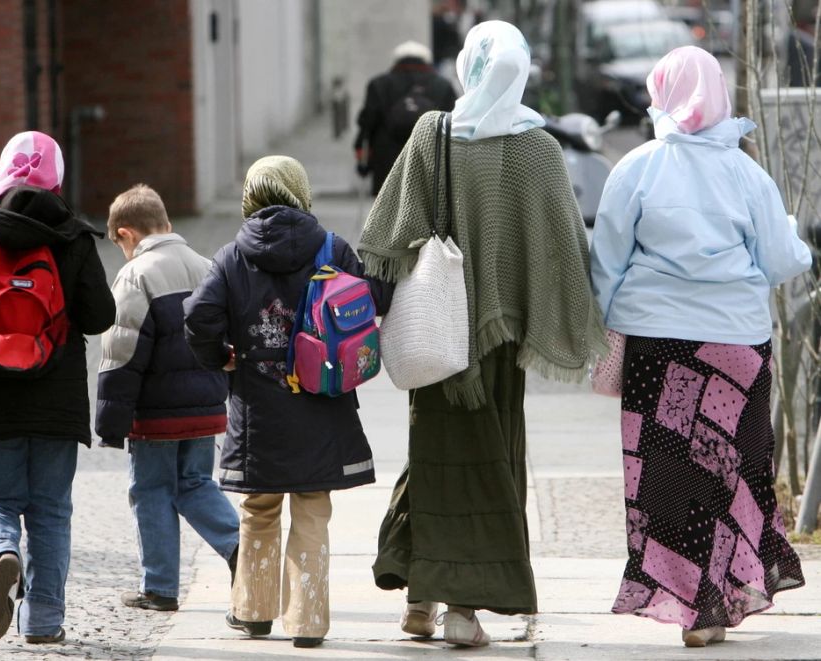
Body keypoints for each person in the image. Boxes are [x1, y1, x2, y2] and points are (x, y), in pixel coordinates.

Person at [358, 21, 606, 647]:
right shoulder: (539, 150)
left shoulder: (431, 134)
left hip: (438, 335)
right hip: (498, 347)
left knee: (436, 458)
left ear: (469, 67)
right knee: (494, 460)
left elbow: (385, 233)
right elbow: (566, 254)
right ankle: (463, 608)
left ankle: (421, 595)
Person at [589, 46, 809, 648]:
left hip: (658, 348)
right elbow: (785, 260)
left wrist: (606, 327)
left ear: (660, 92)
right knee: (733, 470)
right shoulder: (746, 173)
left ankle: (687, 602)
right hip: (735, 345)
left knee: (665, 473)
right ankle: (717, 600)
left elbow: (606, 264)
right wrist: (790, 236)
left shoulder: (635, 167)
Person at [183, 156, 382, 649]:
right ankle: (308, 621)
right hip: (322, 402)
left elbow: (197, 317)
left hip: (258, 408)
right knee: (313, 508)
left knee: (259, 508)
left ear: (251, 195)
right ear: (300, 191)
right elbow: (371, 302)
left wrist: (222, 357)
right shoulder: (333, 248)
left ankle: (252, 611)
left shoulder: (232, 256)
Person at [0, 131, 116, 644]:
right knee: (51, 511)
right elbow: (101, 316)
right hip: (55, 404)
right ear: (55, 177)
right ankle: (42, 622)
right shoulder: (73, 236)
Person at [95, 184, 240, 612]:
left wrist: (110, 422)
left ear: (126, 234)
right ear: (168, 225)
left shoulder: (136, 276)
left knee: (152, 489)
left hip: (155, 415)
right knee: (196, 483)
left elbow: (122, 353)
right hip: (207, 407)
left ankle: (159, 587)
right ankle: (244, 551)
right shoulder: (207, 266)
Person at [354, 40, 457, 194]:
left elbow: (367, 123)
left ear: (396, 60)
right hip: (429, 158)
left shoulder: (378, 84)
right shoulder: (443, 85)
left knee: (387, 208)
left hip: (387, 159)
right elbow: (452, 124)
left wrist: (363, 159)